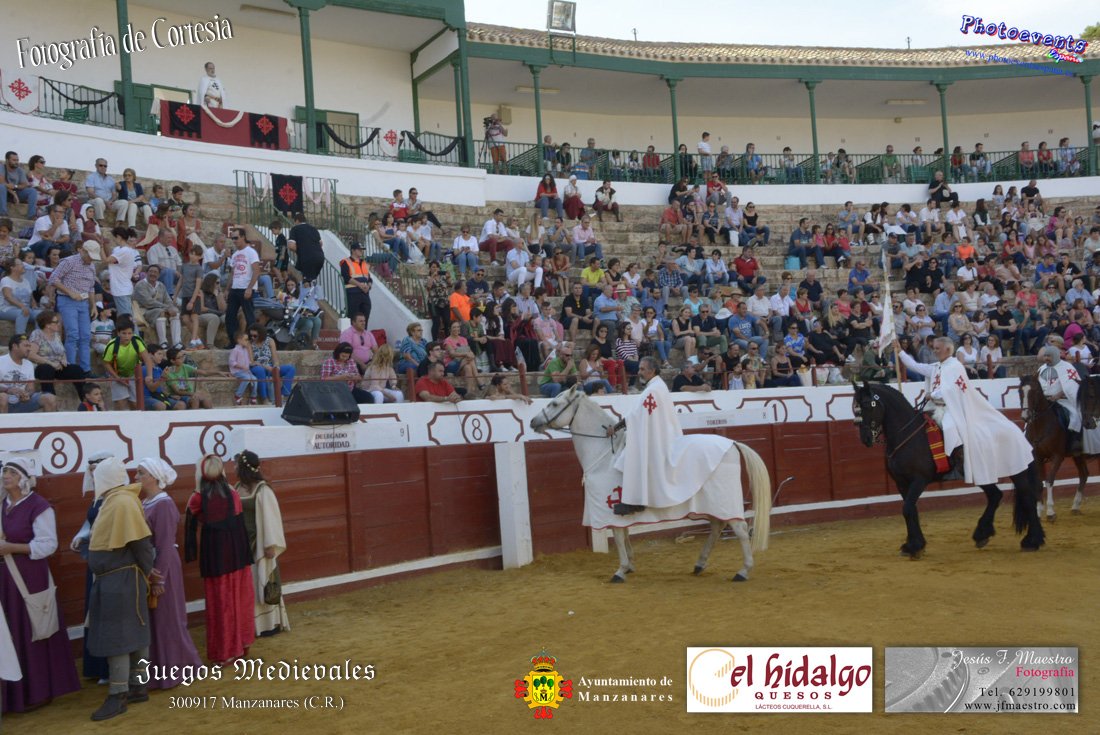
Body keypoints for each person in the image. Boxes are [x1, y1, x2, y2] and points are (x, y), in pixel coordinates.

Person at [896, 337, 1033, 484]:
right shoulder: (936, 367)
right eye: (934, 348)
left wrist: (932, 395)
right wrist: (900, 351)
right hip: (934, 407)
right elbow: (915, 366)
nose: (934, 351)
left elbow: (951, 390)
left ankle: (957, 464)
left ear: (948, 349)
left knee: (950, 428)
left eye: (937, 348)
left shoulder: (955, 366)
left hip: (951, 408)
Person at [85, 456, 160, 721]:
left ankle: (118, 694)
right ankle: (138, 686)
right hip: (121, 578)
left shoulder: (122, 502)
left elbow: (141, 544)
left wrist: (148, 571)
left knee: (117, 636)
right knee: (135, 631)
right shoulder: (116, 500)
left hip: (121, 580)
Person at [607, 357, 730, 514]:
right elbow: (638, 416)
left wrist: (615, 428)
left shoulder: (652, 390)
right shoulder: (657, 386)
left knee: (635, 456)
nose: (639, 372)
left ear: (652, 370)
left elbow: (635, 416)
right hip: (662, 436)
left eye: (642, 369)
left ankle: (636, 501)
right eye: (639, 369)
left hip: (659, 440)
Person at [184, 454, 255, 664]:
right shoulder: (233, 493)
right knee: (239, 600)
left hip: (215, 557)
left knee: (220, 604)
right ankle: (241, 645)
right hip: (237, 554)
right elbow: (239, 525)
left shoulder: (197, 498)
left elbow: (191, 526)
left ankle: (225, 651)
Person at [233, 451, 290, 638]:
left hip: (259, 544)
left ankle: (268, 624)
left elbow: (271, 518)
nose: (234, 468)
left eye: (236, 464)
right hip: (241, 544)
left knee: (262, 581)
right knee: (247, 584)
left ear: (243, 467)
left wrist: (270, 544)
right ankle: (250, 624)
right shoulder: (236, 488)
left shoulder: (263, 490)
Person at [47, 240, 100, 377]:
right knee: (73, 334)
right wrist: (70, 292)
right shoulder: (69, 261)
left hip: (83, 302)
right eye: (90, 256)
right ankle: (70, 368)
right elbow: (53, 279)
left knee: (85, 336)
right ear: (83, 251)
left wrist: (93, 306)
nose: (91, 259)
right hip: (67, 300)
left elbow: (91, 287)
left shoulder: (91, 266)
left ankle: (85, 370)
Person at [1037, 345, 1084, 454]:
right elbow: (1037, 384)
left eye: (1049, 356)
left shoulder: (1067, 367)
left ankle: (1074, 441)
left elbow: (1072, 385)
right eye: (1045, 356)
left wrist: (1058, 395)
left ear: (1055, 355)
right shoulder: (1042, 369)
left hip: (1064, 400)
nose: (1046, 358)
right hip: (1045, 401)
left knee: (1075, 415)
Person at [225, 228, 259, 345]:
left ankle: (253, 343)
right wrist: (227, 289)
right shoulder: (235, 254)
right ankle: (234, 343)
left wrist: (249, 288)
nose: (234, 240)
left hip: (246, 288)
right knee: (229, 316)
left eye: (236, 238)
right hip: (235, 288)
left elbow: (256, 271)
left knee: (249, 317)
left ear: (243, 237)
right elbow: (232, 273)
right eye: (232, 238)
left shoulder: (251, 252)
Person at [247, 323, 295, 403]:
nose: (252, 338)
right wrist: (264, 366)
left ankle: (284, 395)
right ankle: (264, 398)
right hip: (257, 366)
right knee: (260, 370)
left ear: (261, 334)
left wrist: (276, 366)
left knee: (290, 369)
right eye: (251, 335)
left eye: (255, 336)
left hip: (270, 366)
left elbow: (275, 357)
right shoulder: (249, 344)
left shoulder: (270, 341)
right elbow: (252, 361)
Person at [341, 242, 373, 324]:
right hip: (353, 294)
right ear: (353, 250)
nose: (361, 251)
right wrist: (360, 285)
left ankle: (363, 332)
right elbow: (346, 277)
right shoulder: (346, 262)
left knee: (365, 319)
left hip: (365, 294)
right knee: (353, 318)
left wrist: (369, 286)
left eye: (362, 249)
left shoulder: (364, 263)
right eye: (359, 249)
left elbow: (369, 279)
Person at [287, 212, 324, 283]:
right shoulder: (313, 229)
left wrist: (299, 251)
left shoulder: (295, 229)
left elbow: (291, 246)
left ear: (297, 221)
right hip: (320, 257)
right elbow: (320, 243)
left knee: (306, 281)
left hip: (307, 257)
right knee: (312, 280)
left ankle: (307, 287)